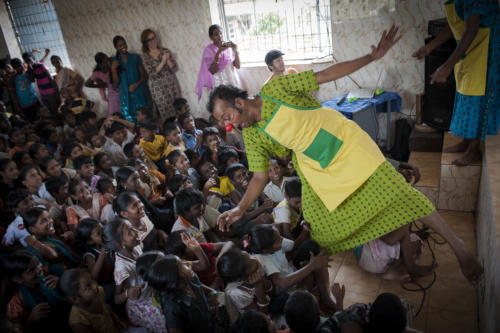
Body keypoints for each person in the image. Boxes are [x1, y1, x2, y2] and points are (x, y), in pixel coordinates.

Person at [212, 25, 482, 284]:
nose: (230, 125)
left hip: (344, 142)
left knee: (400, 192)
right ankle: (379, 252)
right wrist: (240, 208)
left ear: (238, 102)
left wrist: (371, 57)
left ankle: (460, 249)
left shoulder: (275, 90)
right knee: (322, 226)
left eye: (228, 116)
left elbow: (325, 75)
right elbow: (259, 176)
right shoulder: (252, 134)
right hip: (316, 165)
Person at [412, 0, 499, 166]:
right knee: (466, 93)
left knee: (477, 97)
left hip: (486, 48)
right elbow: (454, 25)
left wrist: (446, 66)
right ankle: (466, 142)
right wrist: (430, 47)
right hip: (472, 48)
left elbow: (471, 29)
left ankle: (474, 149)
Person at [246, 224, 338, 314]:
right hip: (285, 289)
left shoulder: (272, 243)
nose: (282, 240)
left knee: (311, 247)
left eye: (280, 236)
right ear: (266, 251)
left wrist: (304, 231)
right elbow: (282, 283)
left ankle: (325, 296)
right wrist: (310, 267)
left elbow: (293, 247)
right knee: (310, 273)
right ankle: (313, 297)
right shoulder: (262, 258)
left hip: (290, 271)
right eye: (278, 240)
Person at [148, 255, 216, 333]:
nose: (187, 264)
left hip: (209, 322)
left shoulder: (191, 279)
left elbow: (200, 287)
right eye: (183, 266)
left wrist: (214, 293)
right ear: (175, 281)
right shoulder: (173, 308)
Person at [3, 251, 69, 332]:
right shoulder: (17, 302)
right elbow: (18, 328)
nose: (39, 270)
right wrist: (31, 319)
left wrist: (64, 282)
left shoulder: (51, 271)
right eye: (31, 270)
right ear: (17, 279)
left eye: (38, 263)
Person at [58, 268, 127, 333]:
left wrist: (117, 320)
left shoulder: (98, 292)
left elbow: (106, 306)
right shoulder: (79, 321)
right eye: (88, 286)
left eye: (92, 280)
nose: (95, 286)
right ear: (75, 299)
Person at [217, 247, 270, 323]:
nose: (254, 259)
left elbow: (272, 291)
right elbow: (261, 317)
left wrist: (262, 280)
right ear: (240, 279)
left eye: (249, 256)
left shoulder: (253, 265)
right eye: (250, 264)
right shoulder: (237, 294)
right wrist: (258, 287)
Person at [141, 29, 181, 123]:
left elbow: (174, 69)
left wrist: (168, 60)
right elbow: (152, 74)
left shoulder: (165, 51)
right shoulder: (145, 56)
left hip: (171, 85)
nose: (153, 41)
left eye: (154, 38)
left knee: (177, 108)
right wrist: (163, 62)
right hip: (158, 89)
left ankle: (181, 133)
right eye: (149, 40)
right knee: (165, 113)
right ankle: (170, 134)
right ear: (145, 42)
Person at [196, 24, 245, 100]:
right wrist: (219, 52)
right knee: (224, 103)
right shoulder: (208, 50)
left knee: (235, 102)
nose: (220, 36)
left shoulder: (228, 47)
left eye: (221, 33)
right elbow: (212, 71)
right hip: (220, 82)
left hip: (233, 80)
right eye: (216, 34)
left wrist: (235, 49)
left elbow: (238, 66)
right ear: (211, 37)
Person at [103, 218, 142, 305]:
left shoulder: (136, 247)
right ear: (121, 244)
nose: (135, 230)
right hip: (141, 303)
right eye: (129, 232)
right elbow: (117, 299)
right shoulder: (122, 268)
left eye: (132, 227)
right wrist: (127, 293)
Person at [111, 35, 148, 123]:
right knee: (131, 120)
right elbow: (116, 84)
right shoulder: (114, 61)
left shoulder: (135, 57)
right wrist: (113, 70)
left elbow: (144, 76)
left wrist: (136, 85)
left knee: (144, 118)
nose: (123, 46)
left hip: (138, 93)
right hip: (125, 96)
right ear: (115, 47)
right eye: (120, 45)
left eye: (124, 44)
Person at [22, 52, 60, 117]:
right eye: (26, 61)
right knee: (49, 110)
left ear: (33, 58)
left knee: (55, 109)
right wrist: (30, 68)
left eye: (29, 59)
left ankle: (59, 122)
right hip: (43, 93)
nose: (28, 62)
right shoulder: (31, 69)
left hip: (50, 92)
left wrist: (56, 91)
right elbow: (32, 80)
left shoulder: (41, 65)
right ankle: (55, 123)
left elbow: (51, 78)